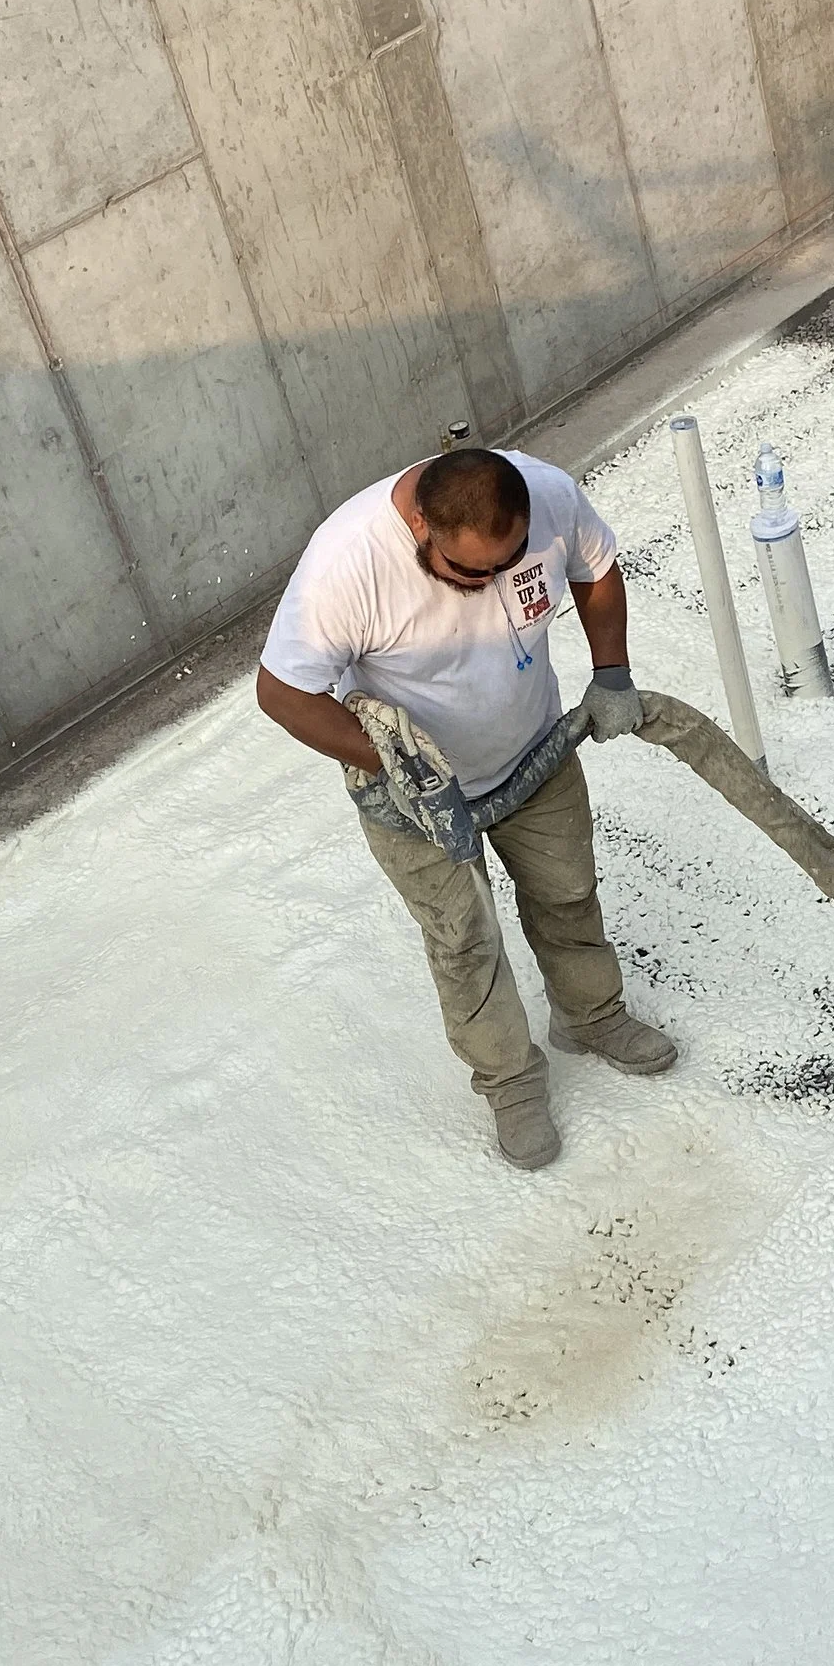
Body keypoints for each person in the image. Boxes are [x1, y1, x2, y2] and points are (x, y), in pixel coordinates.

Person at [257, 444, 676, 1169]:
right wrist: (401, 768)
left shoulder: (548, 495)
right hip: (414, 799)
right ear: (422, 525)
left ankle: (591, 1016)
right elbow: (282, 692)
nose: (490, 584)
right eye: (471, 571)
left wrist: (612, 672)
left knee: (568, 893)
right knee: (464, 939)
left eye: (507, 564)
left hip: (532, 752)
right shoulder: (347, 564)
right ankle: (510, 1082)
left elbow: (597, 568)